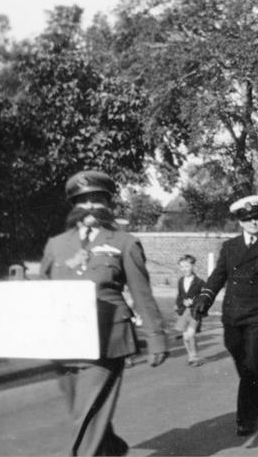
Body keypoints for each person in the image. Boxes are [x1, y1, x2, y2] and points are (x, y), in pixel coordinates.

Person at [40, 170, 169, 456]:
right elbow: (44, 295)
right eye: (82, 201)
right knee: (86, 412)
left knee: (85, 418)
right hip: (65, 344)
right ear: (73, 206)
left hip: (107, 340)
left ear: (108, 204)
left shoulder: (124, 242)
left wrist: (156, 338)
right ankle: (111, 450)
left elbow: (141, 293)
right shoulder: (56, 245)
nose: (89, 207)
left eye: (97, 200)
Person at [191, 195, 258, 436]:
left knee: (250, 365)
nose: (254, 222)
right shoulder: (229, 247)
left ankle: (246, 416)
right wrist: (204, 298)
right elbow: (218, 276)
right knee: (237, 352)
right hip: (233, 313)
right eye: (248, 219)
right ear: (240, 221)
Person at [174, 254, 206, 366]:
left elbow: (204, 298)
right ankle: (190, 355)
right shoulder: (180, 281)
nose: (184, 269)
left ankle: (195, 357)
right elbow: (179, 295)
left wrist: (194, 302)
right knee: (185, 337)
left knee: (191, 334)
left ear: (192, 266)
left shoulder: (200, 282)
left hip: (195, 312)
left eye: (187, 266)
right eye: (182, 267)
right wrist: (178, 304)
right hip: (183, 312)